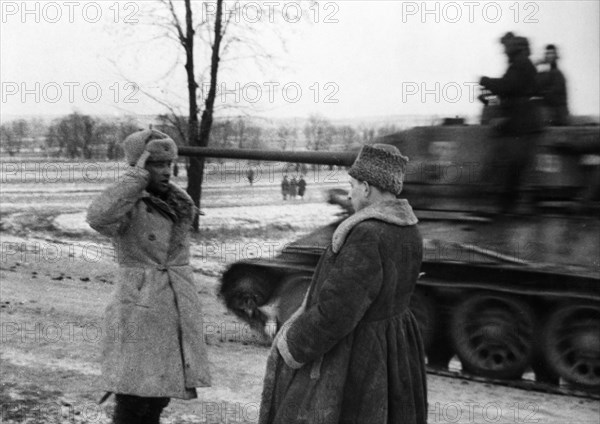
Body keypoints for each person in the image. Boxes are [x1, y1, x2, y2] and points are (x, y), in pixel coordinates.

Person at [258, 144, 427, 424]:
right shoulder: (410, 230)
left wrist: (292, 345)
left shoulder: (366, 234)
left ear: (367, 187)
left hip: (360, 357)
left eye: (352, 185)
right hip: (394, 351)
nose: (349, 194)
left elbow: (338, 310)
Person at [87, 129, 211, 424]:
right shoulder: (129, 205)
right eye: (157, 164)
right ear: (139, 166)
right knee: (132, 399)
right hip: (139, 310)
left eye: (169, 164)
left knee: (158, 398)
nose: (166, 171)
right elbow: (97, 217)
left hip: (173, 308)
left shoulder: (179, 203)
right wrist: (135, 179)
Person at [480, 32, 544, 213]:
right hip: (523, 121)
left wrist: (486, 81)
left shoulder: (520, 64)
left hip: (522, 123)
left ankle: (508, 205)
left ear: (515, 48)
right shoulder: (522, 64)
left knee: (512, 163)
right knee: (516, 164)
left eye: (506, 48)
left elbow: (508, 86)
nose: (504, 51)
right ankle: (509, 205)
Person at [536, 44, 569, 126]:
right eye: (547, 53)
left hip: (556, 114)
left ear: (556, 56)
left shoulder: (557, 74)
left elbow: (552, 96)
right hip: (549, 112)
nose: (549, 56)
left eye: (551, 53)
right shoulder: (545, 73)